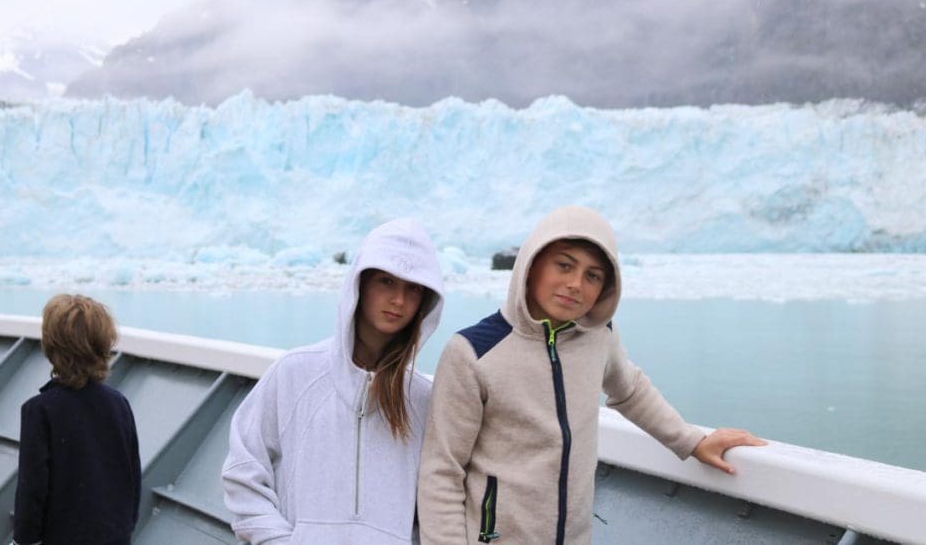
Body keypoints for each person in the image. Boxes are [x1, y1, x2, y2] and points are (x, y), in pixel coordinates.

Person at [417, 205, 765, 544]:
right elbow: (441, 471)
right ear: (531, 263)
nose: (575, 284)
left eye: (592, 276)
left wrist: (692, 442)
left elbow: (630, 390)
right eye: (564, 265)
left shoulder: (599, 337)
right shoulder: (473, 351)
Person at [222, 218, 445, 544]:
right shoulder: (294, 373)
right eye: (386, 281)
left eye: (413, 288)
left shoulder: (422, 400)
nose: (399, 299)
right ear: (360, 283)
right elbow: (243, 470)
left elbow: (435, 505)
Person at [13, 294, 141, 545]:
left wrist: (24, 541)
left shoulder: (39, 410)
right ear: (104, 343)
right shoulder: (119, 404)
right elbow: (132, 478)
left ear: (51, 345)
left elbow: (32, 490)